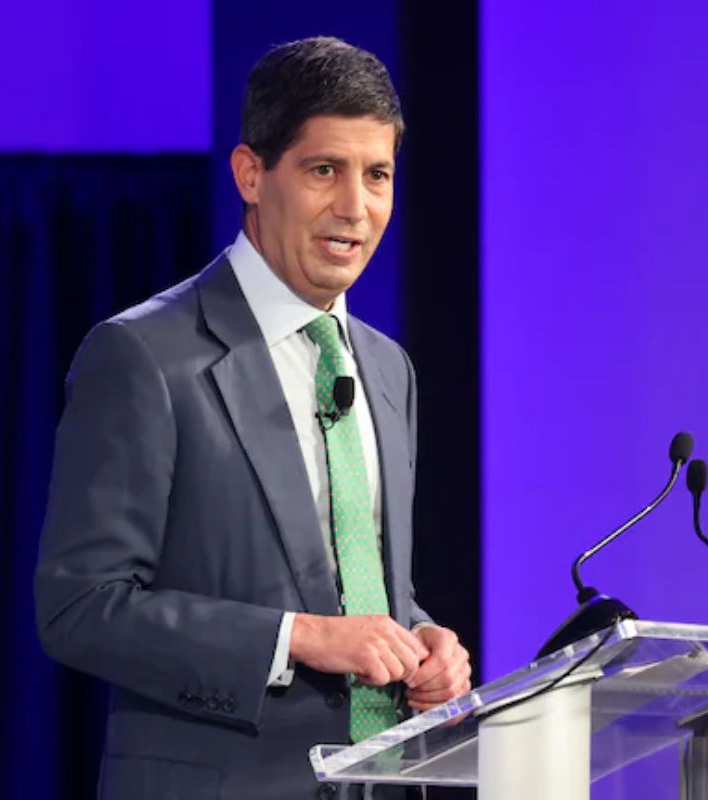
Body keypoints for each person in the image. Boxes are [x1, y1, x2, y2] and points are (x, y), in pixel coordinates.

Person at [34, 36, 471, 799]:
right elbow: (79, 605)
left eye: (377, 175)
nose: (356, 208)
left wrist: (418, 640)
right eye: (324, 170)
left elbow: (349, 579)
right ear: (250, 174)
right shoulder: (143, 356)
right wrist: (297, 637)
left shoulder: (386, 367)